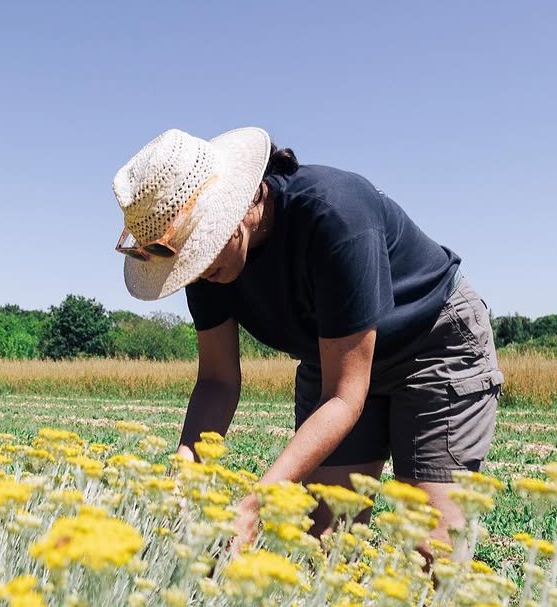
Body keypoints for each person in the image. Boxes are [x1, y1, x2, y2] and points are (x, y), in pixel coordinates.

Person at [111, 128, 502, 552]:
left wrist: (256, 505)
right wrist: (184, 472)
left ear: (240, 205)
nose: (199, 270)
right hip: (331, 356)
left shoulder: (334, 214)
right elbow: (217, 381)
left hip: (430, 345)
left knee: (433, 553)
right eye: (188, 259)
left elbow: (345, 395)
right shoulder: (203, 266)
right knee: (325, 543)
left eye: (202, 251)